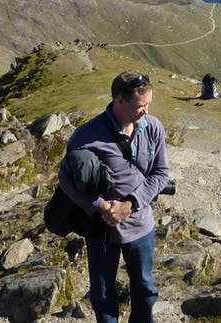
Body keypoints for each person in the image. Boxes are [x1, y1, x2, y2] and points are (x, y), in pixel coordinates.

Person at [58, 71, 170, 323]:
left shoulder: (153, 127)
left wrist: (130, 205)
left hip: (141, 226)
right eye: (141, 106)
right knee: (103, 292)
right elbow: (65, 179)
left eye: (149, 104)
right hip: (102, 229)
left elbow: (161, 173)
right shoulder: (86, 135)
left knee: (144, 288)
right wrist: (100, 207)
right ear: (119, 100)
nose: (146, 111)